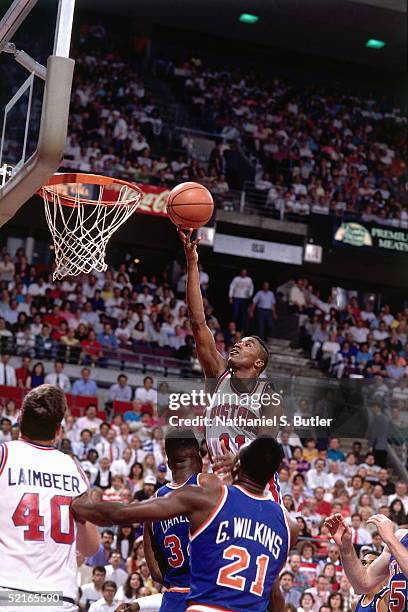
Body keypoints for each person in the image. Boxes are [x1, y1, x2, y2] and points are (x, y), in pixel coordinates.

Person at [72, 436, 298, 611]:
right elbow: (274, 594)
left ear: (237, 465)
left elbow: (123, 514)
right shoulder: (289, 526)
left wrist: (80, 506)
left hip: (197, 603)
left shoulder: (211, 496)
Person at [178, 229, 282, 501]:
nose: (237, 344)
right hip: (222, 488)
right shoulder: (218, 375)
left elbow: (267, 444)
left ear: (259, 362)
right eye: (238, 342)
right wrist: (192, 263)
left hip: (258, 488)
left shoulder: (268, 393)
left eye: (248, 345)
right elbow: (198, 322)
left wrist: (240, 458)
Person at [0, 384, 99, 612]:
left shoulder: (4, 455)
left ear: (19, 418)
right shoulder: (73, 469)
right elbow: (91, 546)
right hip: (57, 598)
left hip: (8, 593)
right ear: (58, 430)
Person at [143, 431, 204, 612]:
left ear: (169, 463)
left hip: (174, 598)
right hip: (207, 595)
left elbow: (154, 571)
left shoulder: (154, 502)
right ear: (199, 457)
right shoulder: (211, 489)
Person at [324, 513, 408, 609]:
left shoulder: (393, 540)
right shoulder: (400, 537)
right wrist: (346, 547)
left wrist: (390, 538)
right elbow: (363, 584)